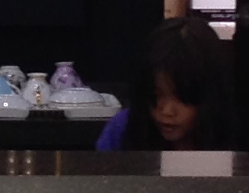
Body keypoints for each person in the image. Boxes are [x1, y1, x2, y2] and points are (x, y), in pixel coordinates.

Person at [96, 15, 239, 151]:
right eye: (155, 96)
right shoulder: (123, 129)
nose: (166, 111)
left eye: (182, 97)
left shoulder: (238, 135)